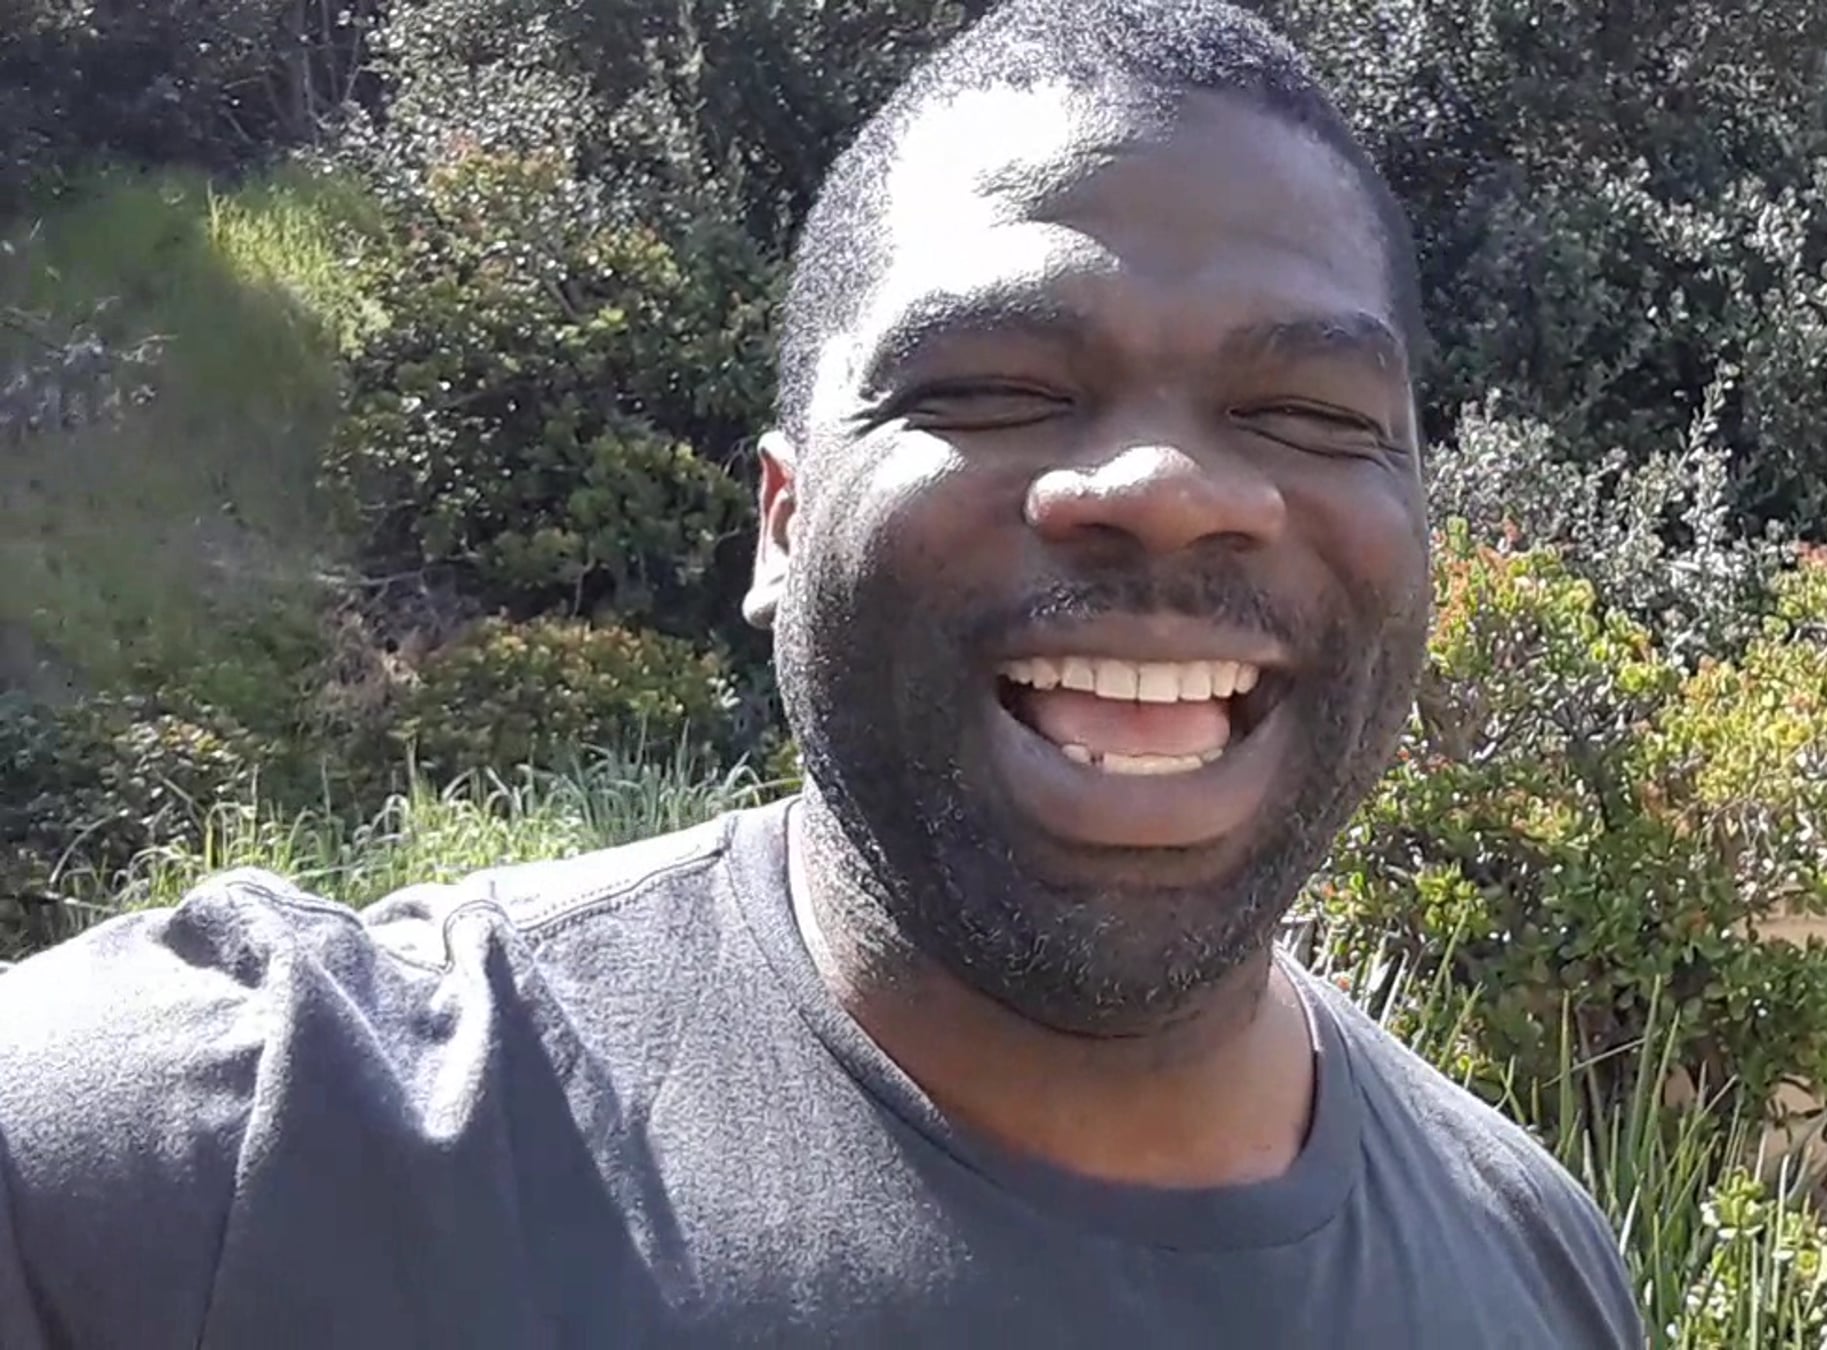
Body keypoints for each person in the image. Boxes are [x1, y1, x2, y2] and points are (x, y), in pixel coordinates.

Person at [0, 1, 1647, 1344]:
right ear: (782, 522)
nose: (1165, 487)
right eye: (997, 385)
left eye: (1306, 414)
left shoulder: (1541, 1272)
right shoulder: (214, 1165)